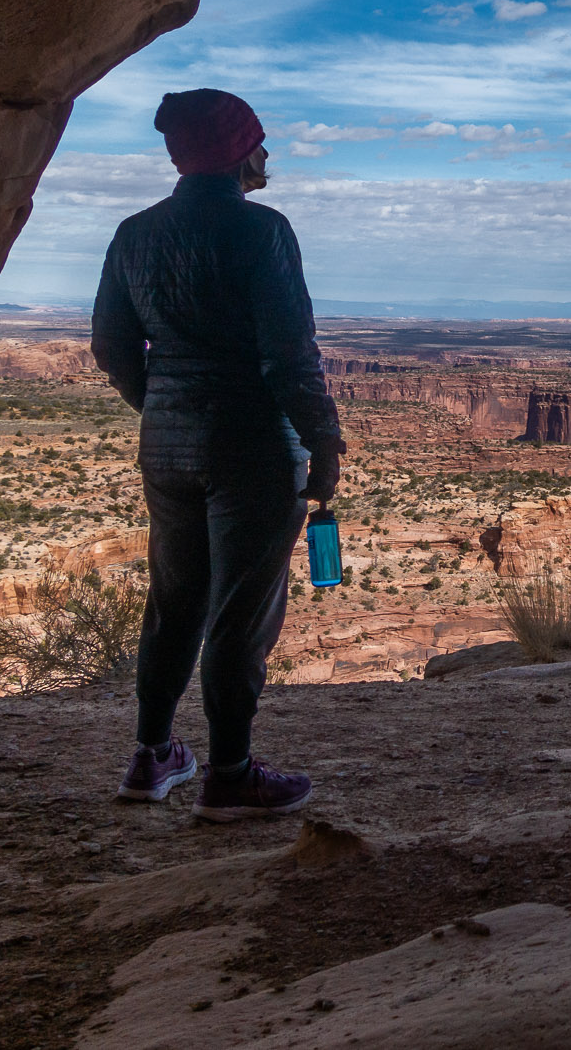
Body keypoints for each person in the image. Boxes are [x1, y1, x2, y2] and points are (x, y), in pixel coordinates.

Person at [91, 88, 345, 821]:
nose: (267, 156)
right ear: (237, 153)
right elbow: (290, 354)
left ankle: (152, 755)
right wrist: (324, 440)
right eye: (258, 143)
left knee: (174, 603)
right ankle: (230, 773)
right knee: (240, 614)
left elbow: (111, 345)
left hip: (166, 450)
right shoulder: (263, 231)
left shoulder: (133, 234)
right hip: (253, 448)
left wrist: (164, 406)